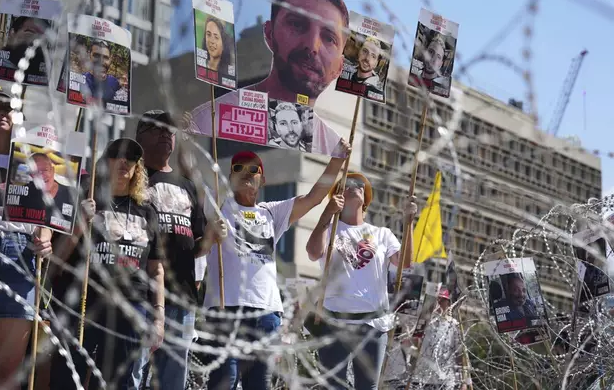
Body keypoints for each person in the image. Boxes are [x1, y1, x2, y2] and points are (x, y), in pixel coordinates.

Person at [204, 142, 350, 390]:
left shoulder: (271, 213)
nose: (246, 173)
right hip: (225, 311)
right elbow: (189, 175)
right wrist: (184, 136)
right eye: (238, 168)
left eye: (253, 170)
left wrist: (337, 160)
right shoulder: (217, 206)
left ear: (263, 180)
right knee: (223, 382)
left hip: (266, 315)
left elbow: (314, 197)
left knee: (259, 385)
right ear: (230, 177)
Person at [49, 138, 165, 389]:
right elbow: (57, 257)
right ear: (105, 162)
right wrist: (80, 222)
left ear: (138, 168)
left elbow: (156, 268)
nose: (125, 161)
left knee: (117, 381)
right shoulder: (85, 197)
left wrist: (159, 316)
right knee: (69, 377)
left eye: (132, 157)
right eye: (117, 155)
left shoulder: (147, 211)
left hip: (130, 306)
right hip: (83, 302)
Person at [134, 110, 225, 389]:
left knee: (172, 380)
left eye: (169, 130)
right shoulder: (129, 179)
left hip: (183, 298)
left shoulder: (186, 186)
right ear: (140, 137)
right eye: (157, 128)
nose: (165, 134)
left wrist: (210, 238)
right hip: (140, 294)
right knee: (131, 374)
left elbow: (196, 246)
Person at [189, 0, 350, 157]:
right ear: (269, 33)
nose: (312, 46)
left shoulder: (335, 150)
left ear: (339, 68)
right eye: (296, 24)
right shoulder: (207, 120)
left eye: (329, 38)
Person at [0, 87, 53, 390]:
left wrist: (46, 236)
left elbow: (48, 216)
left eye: (9, 108)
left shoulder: (35, 165)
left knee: (8, 371)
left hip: (21, 258)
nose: (2, 113)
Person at [305, 172, 417, 389]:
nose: (354, 186)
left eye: (359, 185)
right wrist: (326, 214)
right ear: (337, 196)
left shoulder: (382, 234)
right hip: (333, 323)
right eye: (347, 184)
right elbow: (312, 252)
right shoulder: (329, 230)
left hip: (372, 325)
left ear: (365, 199)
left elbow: (405, 262)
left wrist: (409, 222)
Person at [407, 289, 467, 390]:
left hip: (444, 380)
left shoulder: (453, 325)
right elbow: (413, 346)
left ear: (448, 303)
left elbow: (460, 355)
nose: (438, 303)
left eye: (442, 300)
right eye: (436, 300)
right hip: (421, 379)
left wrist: (464, 382)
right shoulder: (423, 322)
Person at [21, 152, 75, 231]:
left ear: (53, 171)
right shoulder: (24, 194)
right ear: (31, 175)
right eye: (36, 172)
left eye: (45, 170)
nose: (42, 176)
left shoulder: (71, 194)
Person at [81, 39, 121, 104]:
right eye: (96, 55)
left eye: (105, 57)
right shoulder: (80, 81)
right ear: (89, 55)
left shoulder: (115, 82)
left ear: (110, 59)